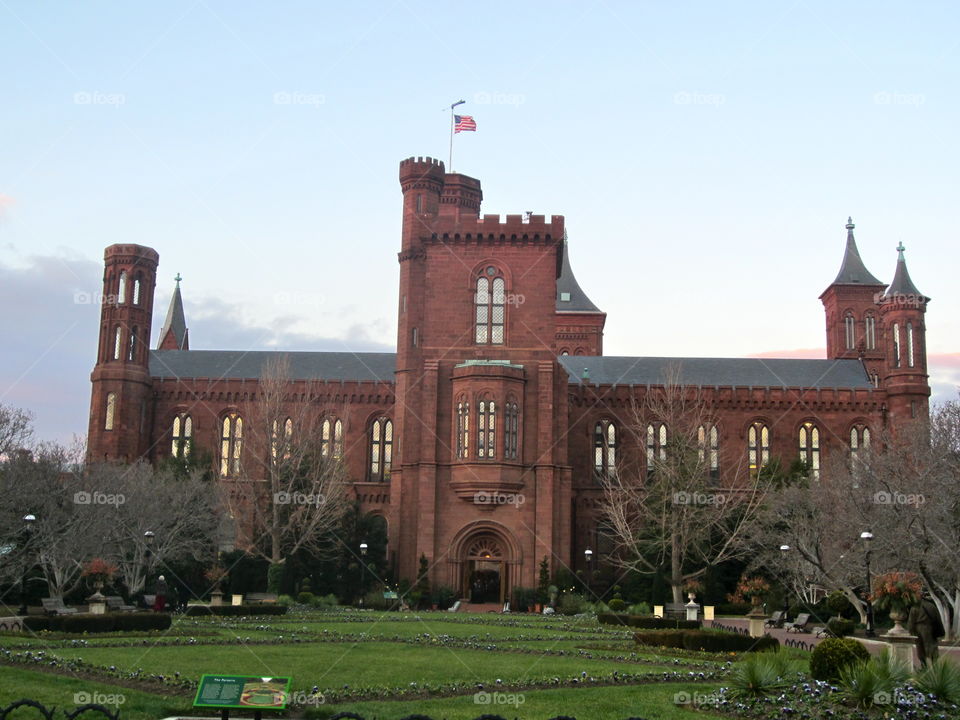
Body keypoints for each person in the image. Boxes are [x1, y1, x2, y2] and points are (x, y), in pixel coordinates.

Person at [908, 591, 945, 667]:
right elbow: (937, 619)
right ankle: (935, 665)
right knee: (932, 646)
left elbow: (911, 622)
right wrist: (940, 630)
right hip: (930, 628)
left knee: (920, 647)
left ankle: (924, 665)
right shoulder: (931, 606)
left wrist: (911, 632)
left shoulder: (915, 607)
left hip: (918, 629)